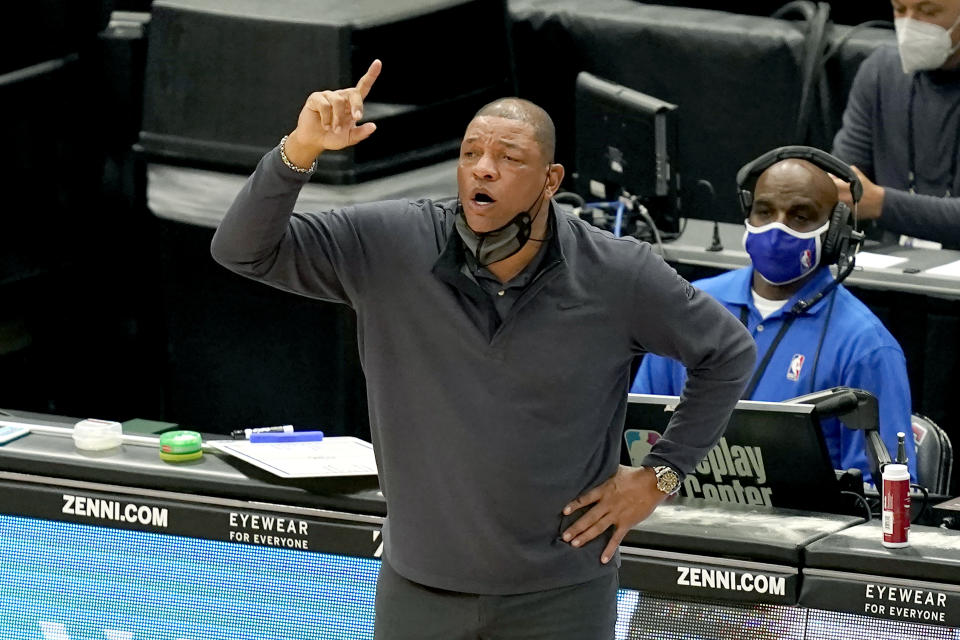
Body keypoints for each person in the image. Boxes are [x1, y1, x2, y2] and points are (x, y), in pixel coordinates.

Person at [211, 59, 756, 639]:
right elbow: (241, 250)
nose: (483, 170)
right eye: (471, 154)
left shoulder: (619, 274)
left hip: (561, 597)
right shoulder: (389, 245)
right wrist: (300, 149)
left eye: (508, 158)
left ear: (551, 180)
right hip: (418, 589)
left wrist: (660, 476)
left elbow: (727, 354)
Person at [631, 149, 917, 485]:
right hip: (679, 520)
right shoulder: (686, 307)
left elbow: (889, 492)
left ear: (835, 234)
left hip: (802, 534)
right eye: (764, 212)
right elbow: (637, 439)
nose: (777, 228)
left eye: (800, 216)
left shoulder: (867, 346)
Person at [832, 0, 960, 248]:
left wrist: (882, 204)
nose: (909, 24)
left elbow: (867, 197)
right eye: (900, 9)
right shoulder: (881, 71)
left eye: (928, 11)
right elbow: (843, 183)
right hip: (895, 270)